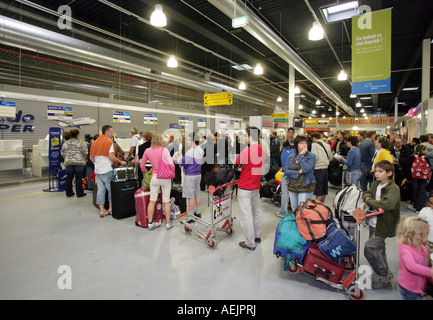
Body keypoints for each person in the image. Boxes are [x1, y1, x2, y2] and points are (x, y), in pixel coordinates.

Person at [363, 160, 400, 289]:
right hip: (373, 222)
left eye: (380, 171)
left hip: (383, 224)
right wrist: (369, 198)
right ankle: (384, 272)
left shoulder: (393, 189)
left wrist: (370, 201)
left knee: (369, 247)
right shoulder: (375, 184)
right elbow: (366, 193)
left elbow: (387, 204)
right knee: (379, 248)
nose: (377, 174)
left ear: (389, 173)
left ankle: (382, 274)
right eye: (376, 171)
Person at [236, 126, 265, 250]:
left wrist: (241, 168)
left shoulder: (246, 151)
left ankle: (250, 242)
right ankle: (257, 236)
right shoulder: (262, 151)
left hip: (245, 186)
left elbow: (238, 165)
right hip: (255, 185)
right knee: (257, 211)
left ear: (249, 136)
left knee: (246, 215)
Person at [140, 131, 175, 231]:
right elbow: (171, 164)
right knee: (166, 201)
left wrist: (146, 172)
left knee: (152, 200)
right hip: (165, 178)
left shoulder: (147, 150)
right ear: (160, 140)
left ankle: (150, 223)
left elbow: (142, 166)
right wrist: (172, 171)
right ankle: (168, 223)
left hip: (155, 177)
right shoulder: (164, 150)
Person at [90, 125, 127, 218]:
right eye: (111, 132)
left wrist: (97, 164)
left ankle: (102, 210)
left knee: (100, 190)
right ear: (106, 132)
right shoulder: (109, 142)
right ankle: (110, 209)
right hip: (107, 170)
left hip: (98, 171)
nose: (112, 133)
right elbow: (111, 157)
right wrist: (120, 161)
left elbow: (91, 157)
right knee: (110, 190)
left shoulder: (94, 143)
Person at [396, 216, 433, 300]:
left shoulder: (423, 248)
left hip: (418, 285)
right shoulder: (405, 249)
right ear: (418, 236)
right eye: (426, 234)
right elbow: (411, 265)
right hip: (408, 288)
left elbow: (423, 265)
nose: (428, 237)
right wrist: (430, 272)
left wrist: (430, 278)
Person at [283, 135, 316, 211]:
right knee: (294, 209)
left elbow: (306, 169)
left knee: (302, 210)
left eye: (305, 143)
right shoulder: (292, 156)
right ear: (296, 145)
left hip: (305, 187)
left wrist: (301, 156)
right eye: (301, 143)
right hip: (292, 186)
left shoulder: (311, 156)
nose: (304, 145)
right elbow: (286, 170)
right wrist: (298, 172)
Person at [180, 132, 204, 219]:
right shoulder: (200, 150)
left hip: (190, 175)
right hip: (198, 174)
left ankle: (191, 216)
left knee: (190, 196)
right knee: (197, 193)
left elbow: (182, 162)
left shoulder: (190, 151)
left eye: (188, 140)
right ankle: (198, 212)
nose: (187, 141)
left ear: (193, 140)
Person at [61, 129, 88, 198]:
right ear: (77, 134)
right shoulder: (81, 142)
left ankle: (69, 192)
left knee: (69, 178)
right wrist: (83, 160)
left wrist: (67, 159)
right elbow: (85, 152)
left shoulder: (66, 143)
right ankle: (79, 193)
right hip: (79, 162)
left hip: (69, 162)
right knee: (78, 178)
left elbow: (63, 152)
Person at [275, 127, 296, 218]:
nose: (290, 134)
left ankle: (283, 211)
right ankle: (293, 211)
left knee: (285, 192)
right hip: (293, 171)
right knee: (292, 192)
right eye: (289, 132)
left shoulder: (285, 147)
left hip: (287, 171)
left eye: (292, 132)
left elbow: (281, 159)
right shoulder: (287, 144)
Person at [310, 132, 332, 203]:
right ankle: (322, 206)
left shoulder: (314, 144)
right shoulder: (327, 145)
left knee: (318, 190)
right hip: (326, 168)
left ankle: (317, 208)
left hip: (318, 169)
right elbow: (330, 157)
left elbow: (314, 157)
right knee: (324, 190)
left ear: (314, 138)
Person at [411, 144, 431, 213]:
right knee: (421, 192)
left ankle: (415, 204)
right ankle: (419, 208)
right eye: (425, 150)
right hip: (423, 177)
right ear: (422, 150)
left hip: (415, 177)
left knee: (415, 191)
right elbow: (429, 167)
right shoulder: (426, 158)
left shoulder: (413, 157)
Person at [419, 195, 433, 266]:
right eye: (430, 203)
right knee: (425, 265)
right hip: (426, 243)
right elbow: (417, 226)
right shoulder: (425, 211)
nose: (431, 205)